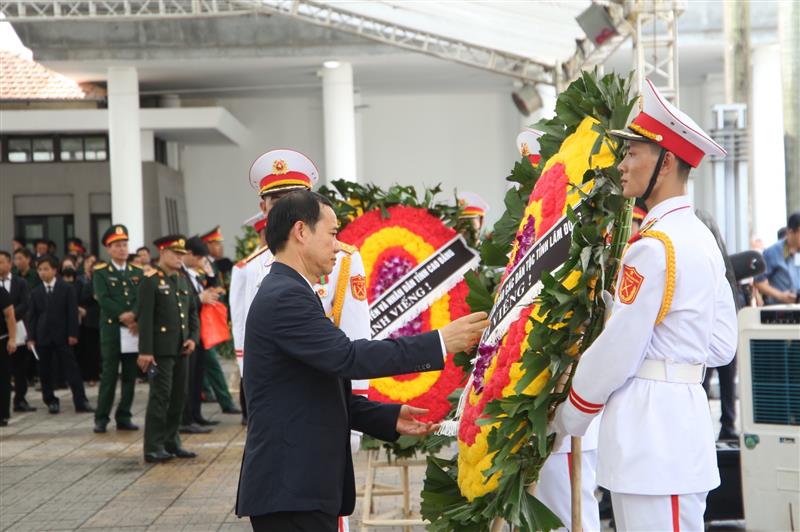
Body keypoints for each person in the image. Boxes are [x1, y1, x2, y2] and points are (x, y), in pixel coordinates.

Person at [235, 190, 489, 531]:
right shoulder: (285, 297)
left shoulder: (291, 290)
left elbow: (313, 388)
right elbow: (348, 357)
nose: (338, 245)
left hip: (299, 485)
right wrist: (440, 341)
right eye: (332, 233)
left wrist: (386, 416)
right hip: (291, 485)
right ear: (301, 232)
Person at [554, 79, 737, 531]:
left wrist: (571, 413)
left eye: (633, 152)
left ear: (667, 161)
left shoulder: (655, 246)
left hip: (655, 436)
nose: (622, 164)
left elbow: (618, 351)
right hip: (672, 426)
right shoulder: (698, 237)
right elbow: (721, 346)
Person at [515, 128, 602, 530]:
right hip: (526, 399)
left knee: (566, 512)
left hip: (568, 398)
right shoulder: (525, 238)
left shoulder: (587, 234)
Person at [137, 235, 200, 463]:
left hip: (181, 349)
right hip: (160, 350)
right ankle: (153, 446)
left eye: (182, 254)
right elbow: (145, 318)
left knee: (177, 397)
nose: (180, 258)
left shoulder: (182, 280)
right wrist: (145, 351)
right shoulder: (151, 280)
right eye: (176, 253)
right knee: (160, 397)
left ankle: (172, 442)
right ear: (163, 252)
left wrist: (193, 338)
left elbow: (192, 313)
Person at [27, 255, 94, 415]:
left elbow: (72, 312)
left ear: (55, 270)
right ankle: (50, 401)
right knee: (45, 371)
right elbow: (32, 316)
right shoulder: (36, 292)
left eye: (46, 269)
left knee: (72, 369)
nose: (43, 273)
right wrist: (31, 337)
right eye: (40, 270)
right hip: (42, 336)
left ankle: (80, 401)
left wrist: (73, 333)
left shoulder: (66, 288)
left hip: (63, 336)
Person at [92, 225, 143, 433]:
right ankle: (101, 417)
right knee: (109, 375)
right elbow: (103, 299)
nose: (122, 249)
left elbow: (141, 297)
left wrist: (134, 315)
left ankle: (124, 415)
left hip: (132, 331)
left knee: (130, 376)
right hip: (113, 330)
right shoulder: (102, 273)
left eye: (124, 245)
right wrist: (123, 315)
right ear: (109, 249)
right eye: (117, 246)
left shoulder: (137, 272)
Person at [197, 226, 240, 415]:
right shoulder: (204, 263)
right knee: (211, 361)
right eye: (215, 244)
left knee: (205, 361)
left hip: (211, 317)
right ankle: (225, 400)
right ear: (207, 245)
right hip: (202, 319)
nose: (219, 247)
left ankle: (205, 391)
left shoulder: (214, 263)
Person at [179, 236, 220, 433]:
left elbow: (211, 289)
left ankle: (196, 414)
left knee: (196, 377)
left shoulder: (194, 275)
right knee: (187, 380)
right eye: (199, 259)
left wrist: (211, 274)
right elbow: (181, 304)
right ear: (189, 255)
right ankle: (186, 419)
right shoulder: (181, 275)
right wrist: (200, 298)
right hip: (185, 334)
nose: (201, 263)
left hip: (198, 334)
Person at [0, 251, 35, 412]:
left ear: (9, 264)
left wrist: (11, 315)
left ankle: (20, 398)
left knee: (19, 366)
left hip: (18, 326)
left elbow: (25, 303)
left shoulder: (20, 282)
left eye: (2, 262)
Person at [754, 212, 800, 305]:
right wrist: (781, 296)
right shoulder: (772, 252)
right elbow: (758, 282)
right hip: (781, 311)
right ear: (791, 232)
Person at [76, 254, 101, 384]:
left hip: (103, 318)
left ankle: (98, 373)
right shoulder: (88, 284)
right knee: (91, 350)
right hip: (90, 320)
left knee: (100, 350)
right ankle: (91, 376)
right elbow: (82, 299)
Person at [1, 286, 18, 426]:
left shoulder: (1, 292)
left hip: (1, 340)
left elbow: (10, 315)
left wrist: (12, 338)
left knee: (3, 379)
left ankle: (2, 414)